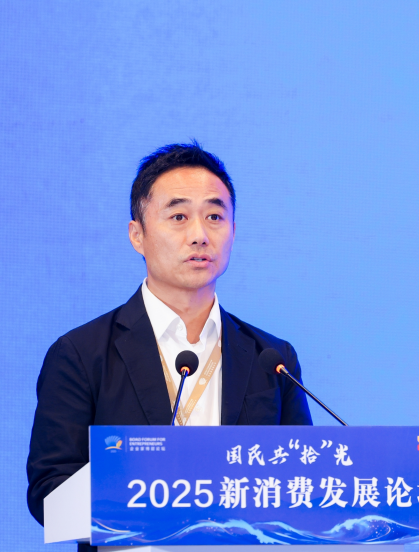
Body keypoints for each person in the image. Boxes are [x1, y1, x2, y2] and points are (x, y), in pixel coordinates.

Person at [26, 142, 313, 550]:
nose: (199, 235)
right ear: (137, 235)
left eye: (215, 217)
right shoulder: (81, 354)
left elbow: (304, 483)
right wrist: (147, 482)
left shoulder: (272, 358)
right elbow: (50, 496)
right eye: (178, 217)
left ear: (233, 232)